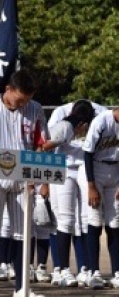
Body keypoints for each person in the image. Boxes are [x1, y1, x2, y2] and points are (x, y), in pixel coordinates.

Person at [0, 68, 49, 297]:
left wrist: (38, 179)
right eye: (20, 99)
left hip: (23, 177)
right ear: (8, 89)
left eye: (27, 99)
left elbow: (40, 144)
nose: (23, 103)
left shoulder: (35, 109)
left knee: (23, 232)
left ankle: (21, 288)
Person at [44, 99, 104, 287]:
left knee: (87, 218)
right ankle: (63, 270)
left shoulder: (99, 113)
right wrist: (45, 182)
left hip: (86, 166)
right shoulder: (60, 113)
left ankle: (87, 269)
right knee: (65, 219)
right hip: (62, 166)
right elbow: (45, 145)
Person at [79, 106, 119, 289]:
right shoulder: (102, 121)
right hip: (95, 170)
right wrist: (91, 186)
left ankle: (116, 272)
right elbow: (87, 154)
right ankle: (94, 272)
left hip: (115, 171)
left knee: (115, 222)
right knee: (95, 221)